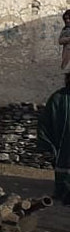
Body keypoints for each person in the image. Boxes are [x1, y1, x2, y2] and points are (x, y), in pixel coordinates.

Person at [38, 72, 70, 203]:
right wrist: (48, 145)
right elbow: (45, 123)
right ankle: (63, 191)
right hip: (63, 144)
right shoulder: (58, 98)